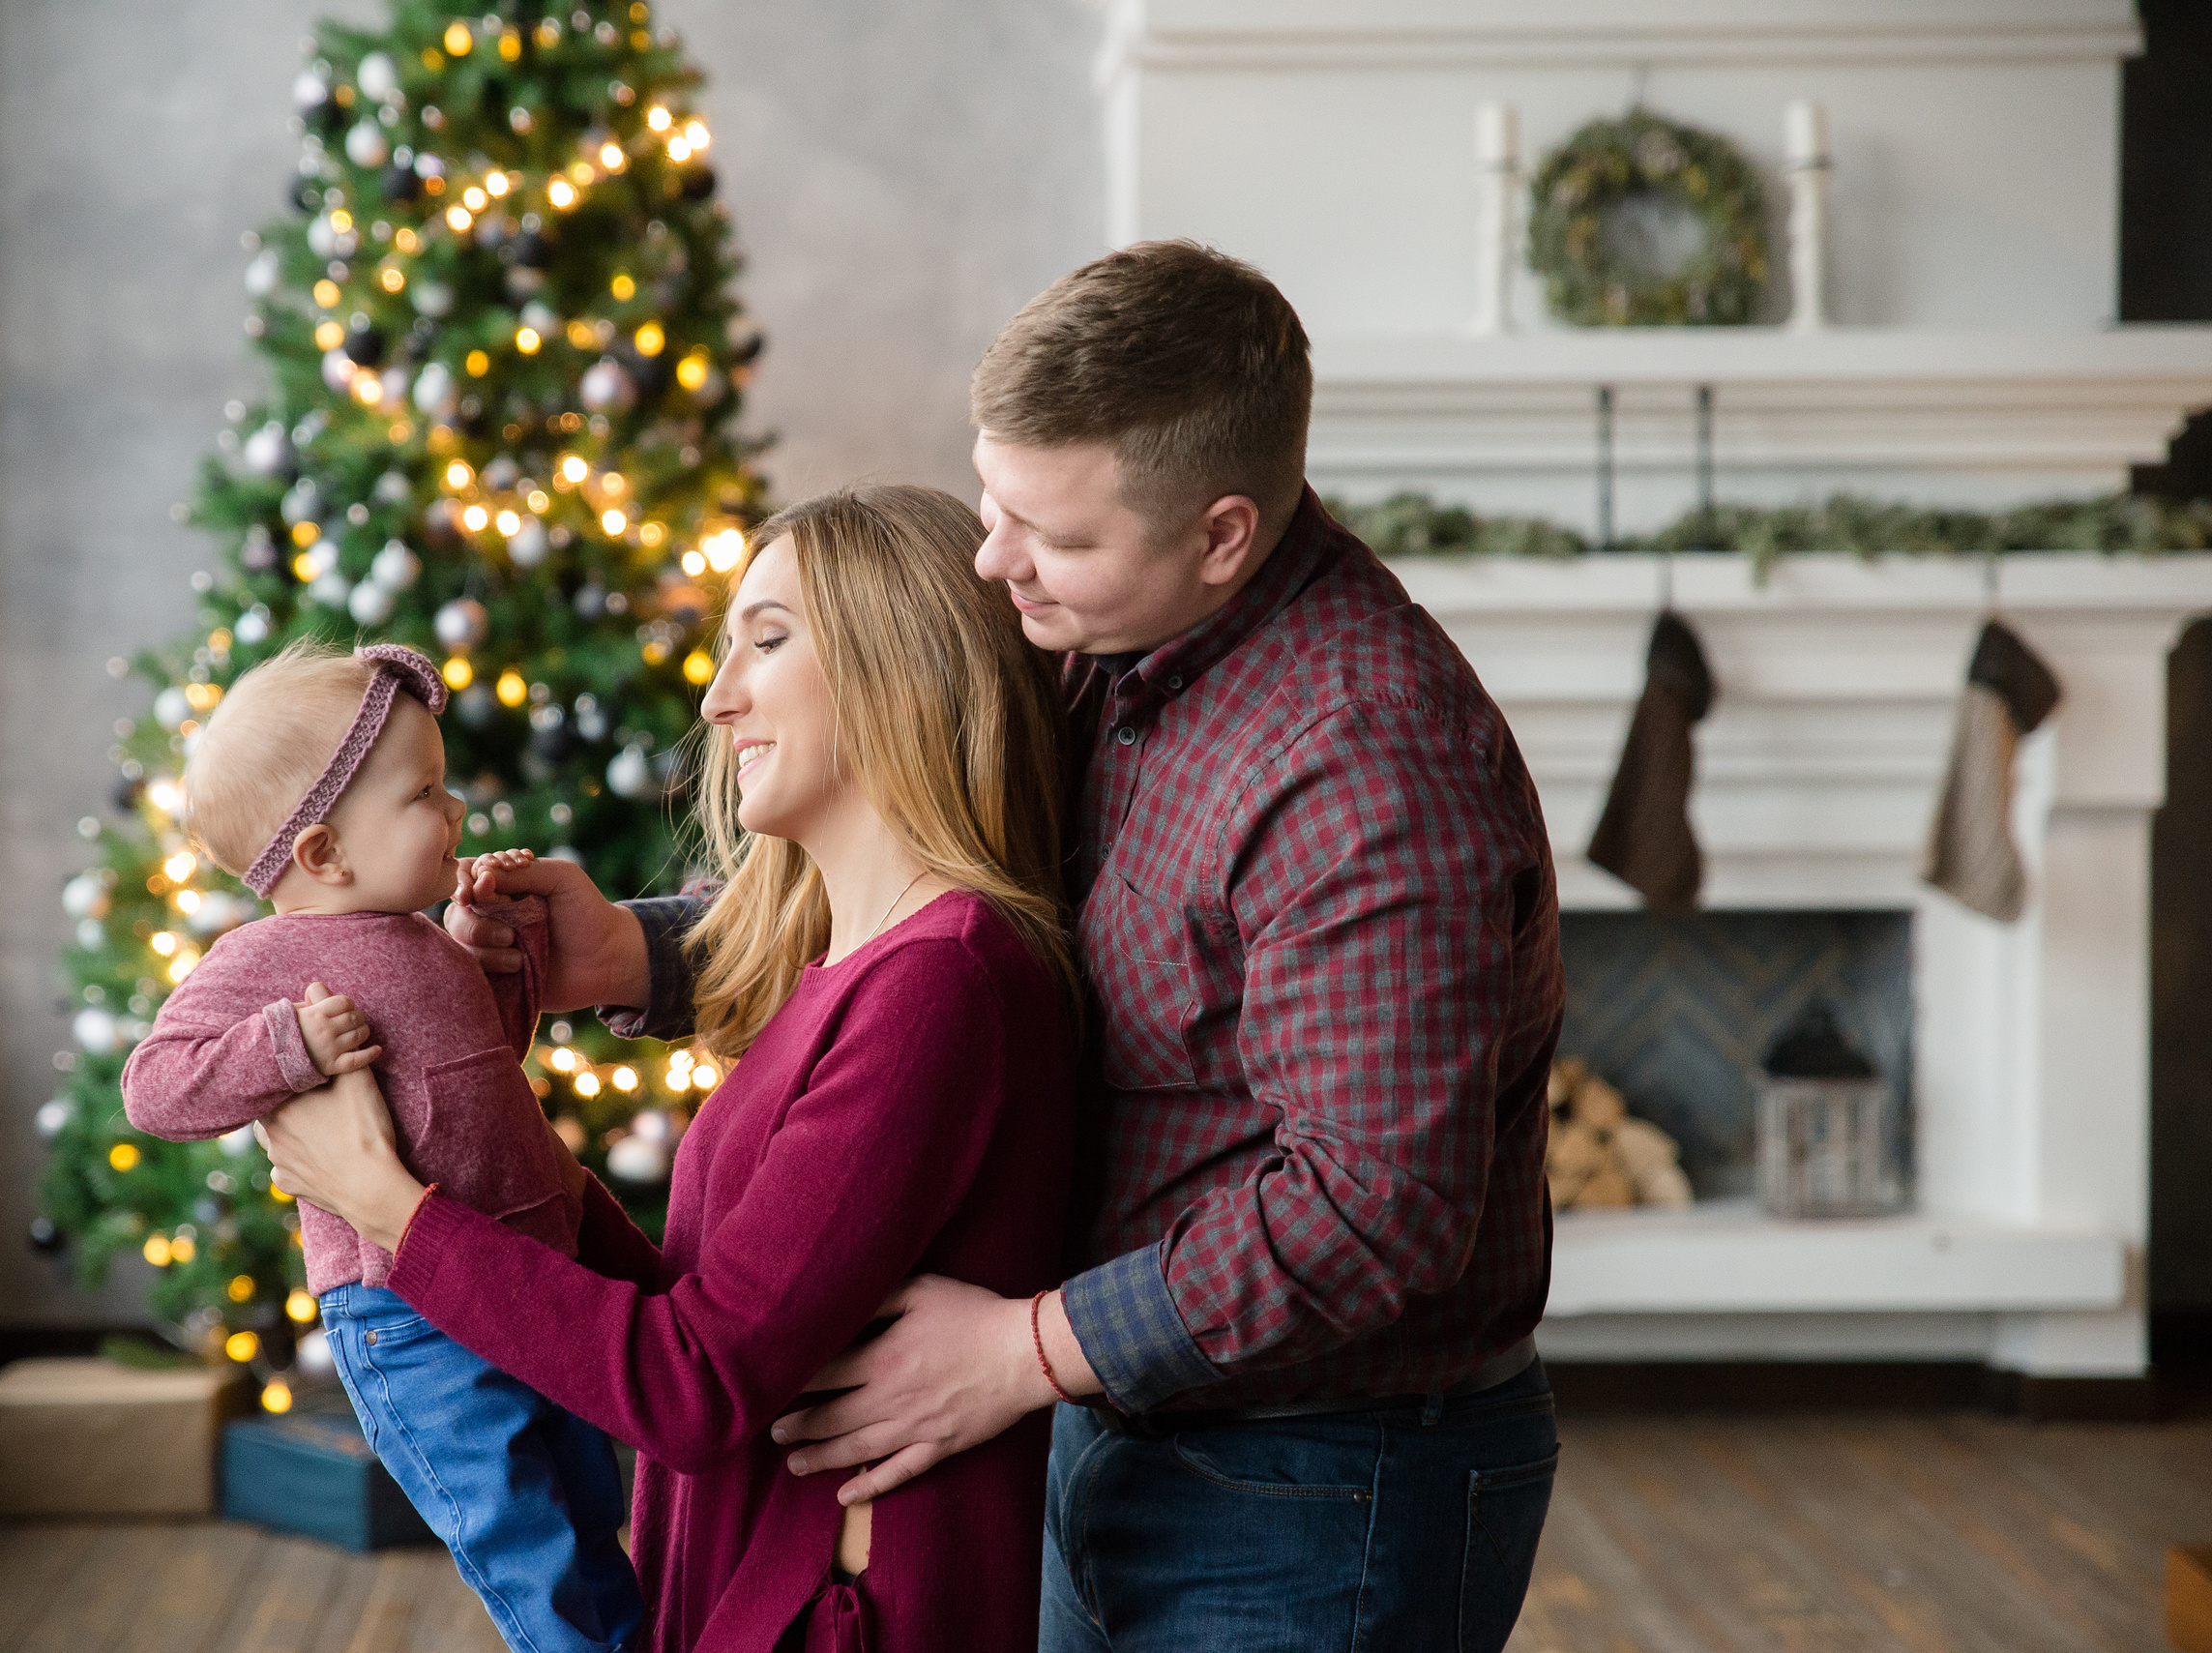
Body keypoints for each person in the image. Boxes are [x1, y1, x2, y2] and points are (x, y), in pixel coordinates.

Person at [452, 241, 1570, 1648]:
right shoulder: (1104, 632)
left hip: (1319, 1479)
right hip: (1099, 1421)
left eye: (1052, 533)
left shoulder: (1364, 759)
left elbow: (1374, 1206)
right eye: (994, 505)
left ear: (1223, 533)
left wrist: (1023, 1348)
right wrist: (636, 952)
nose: (994, 562)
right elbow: (927, 873)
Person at [258, 485, 1080, 1651]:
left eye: (768, 638)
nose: (716, 694)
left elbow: (692, 1386)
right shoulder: (849, 963)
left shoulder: (940, 983)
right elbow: (709, 1311)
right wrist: (494, 1150)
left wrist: (392, 1206)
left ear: (899, 665)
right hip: (751, 1583)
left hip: (835, 1614)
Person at [120, 639, 642, 1653]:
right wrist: (288, 1045)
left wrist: (497, 962)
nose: (457, 809)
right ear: (325, 853)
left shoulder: (422, 933)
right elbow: (154, 1084)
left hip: (528, 1274)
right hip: (410, 1316)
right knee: (524, 1541)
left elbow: (480, 1071)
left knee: (590, 1507)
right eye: (424, 793)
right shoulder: (266, 956)